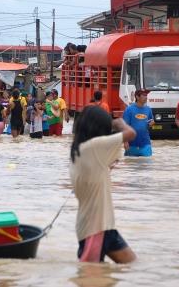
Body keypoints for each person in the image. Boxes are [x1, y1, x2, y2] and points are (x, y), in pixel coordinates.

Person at [70, 105, 137, 263]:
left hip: (104, 227)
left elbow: (109, 164)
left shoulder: (80, 149)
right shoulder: (94, 147)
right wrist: (118, 123)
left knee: (132, 265)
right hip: (95, 229)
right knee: (90, 277)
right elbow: (131, 133)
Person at [122, 89, 155, 157]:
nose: (146, 97)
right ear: (137, 97)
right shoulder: (129, 109)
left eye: (146, 95)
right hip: (132, 144)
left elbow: (149, 123)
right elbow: (124, 126)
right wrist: (125, 142)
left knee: (148, 164)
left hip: (145, 143)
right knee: (130, 164)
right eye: (144, 95)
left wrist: (151, 124)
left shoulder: (148, 109)